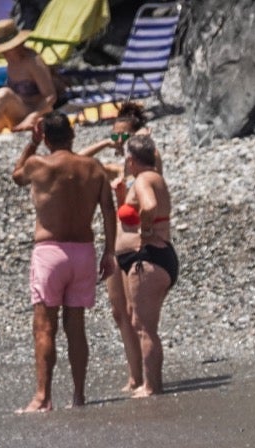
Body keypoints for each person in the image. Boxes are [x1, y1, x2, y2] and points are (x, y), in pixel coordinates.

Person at [12, 112, 118, 412]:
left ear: (45, 136)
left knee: (45, 328)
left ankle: (43, 397)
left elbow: (17, 176)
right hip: (84, 251)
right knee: (76, 327)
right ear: (72, 136)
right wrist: (109, 251)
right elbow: (109, 211)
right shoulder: (94, 168)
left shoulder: (38, 164)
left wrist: (31, 144)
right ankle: (79, 395)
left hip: (51, 251)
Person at [82, 104, 157, 391]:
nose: (118, 143)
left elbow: (155, 162)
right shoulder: (113, 168)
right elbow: (76, 159)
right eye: (115, 137)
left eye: (123, 137)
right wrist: (105, 142)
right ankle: (134, 375)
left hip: (136, 245)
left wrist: (142, 142)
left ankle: (146, 377)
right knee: (118, 312)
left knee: (135, 312)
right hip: (114, 244)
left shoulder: (146, 171)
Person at [116, 133, 178, 398]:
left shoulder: (143, 180)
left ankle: (152, 386)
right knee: (140, 322)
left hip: (149, 258)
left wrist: (144, 231)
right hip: (155, 258)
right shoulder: (154, 176)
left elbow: (149, 206)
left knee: (144, 327)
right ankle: (148, 382)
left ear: (131, 160)